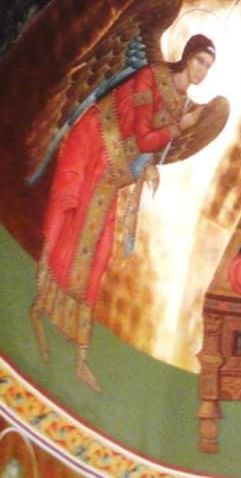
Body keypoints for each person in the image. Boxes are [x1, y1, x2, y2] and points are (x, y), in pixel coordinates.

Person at [30, 34, 216, 392]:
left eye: (208, 67)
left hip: (113, 169)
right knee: (69, 221)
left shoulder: (183, 103)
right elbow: (144, 135)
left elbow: (147, 149)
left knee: (98, 254)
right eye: (200, 61)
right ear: (187, 56)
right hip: (94, 145)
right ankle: (38, 307)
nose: (202, 71)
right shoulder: (151, 76)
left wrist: (149, 165)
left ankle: (79, 355)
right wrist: (178, 129)